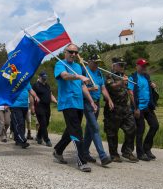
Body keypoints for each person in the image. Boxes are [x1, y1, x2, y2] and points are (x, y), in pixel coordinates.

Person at [53, 43, 98, 173]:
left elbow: (83, 86)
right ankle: (81, 161)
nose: (73, 54)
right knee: (77, 131)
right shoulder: (60, 64)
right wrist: (79, 76)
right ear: (65, 52)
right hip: (67, 103)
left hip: (79, 103)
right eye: (70, 52)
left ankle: (58, 150)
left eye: (75, 52)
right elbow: (65, 76)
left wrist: (91, 101)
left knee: (71, 130)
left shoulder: (78, 66)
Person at [104, 57, 138, 163]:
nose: (123, 67)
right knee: (112, 132)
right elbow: (111, 86)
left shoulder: (124, 76)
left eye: (124, 65)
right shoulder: (109, 75)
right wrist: (121, 82)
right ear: (114, 66)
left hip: (125, 107)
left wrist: (134, 105)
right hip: (113, 108)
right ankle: (114, 154)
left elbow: (128, 90)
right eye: (120, 65)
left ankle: (127, 151)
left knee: (132, 128)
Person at [82, 54, 113, 166]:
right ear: (89, 61)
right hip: (87, 103)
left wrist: (109, 99)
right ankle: (103, 156)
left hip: (97, 103)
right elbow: (80, 88)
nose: (97, 64)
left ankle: (84, 152)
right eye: (95, 62)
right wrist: (91, 88)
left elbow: (103, 88)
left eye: (98, 62)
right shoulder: (84, 71)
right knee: (95, 127)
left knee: (90, 129)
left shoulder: (99, 73)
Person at [128, 58, 159, 161]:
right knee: (140, 130)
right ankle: (140, 153)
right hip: (138, 108)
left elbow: (148, 88)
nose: (144, 67)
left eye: (145, 66)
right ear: (137, 66)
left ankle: (147, 148)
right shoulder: (132, 78)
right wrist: (135, 108)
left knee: (155, 125)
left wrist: (153, 85)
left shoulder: (147, 77)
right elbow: (131, 93)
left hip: (148, 107)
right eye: (142, 66)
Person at [32, 71, 57, 147]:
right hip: (39, 107)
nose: (44, 79)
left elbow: (50, 95)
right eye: (43, 77)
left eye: (45, 77)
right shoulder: (36, 85)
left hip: (47, 107)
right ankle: (47, 139)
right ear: (39, 77)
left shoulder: (47, 85)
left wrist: (56, 101)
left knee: (46, 123)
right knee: (43, 122)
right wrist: (32, 106)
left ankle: (39, 136)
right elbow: (31, 96)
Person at [10, 83, 38, 149]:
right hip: (15, 105)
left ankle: (18, 139)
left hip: (25, 106)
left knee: (22, 123)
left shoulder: (26, 81)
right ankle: (22, 140)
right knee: (19, 123)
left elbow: (30, 90)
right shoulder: (12, 80)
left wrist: (36, 96)